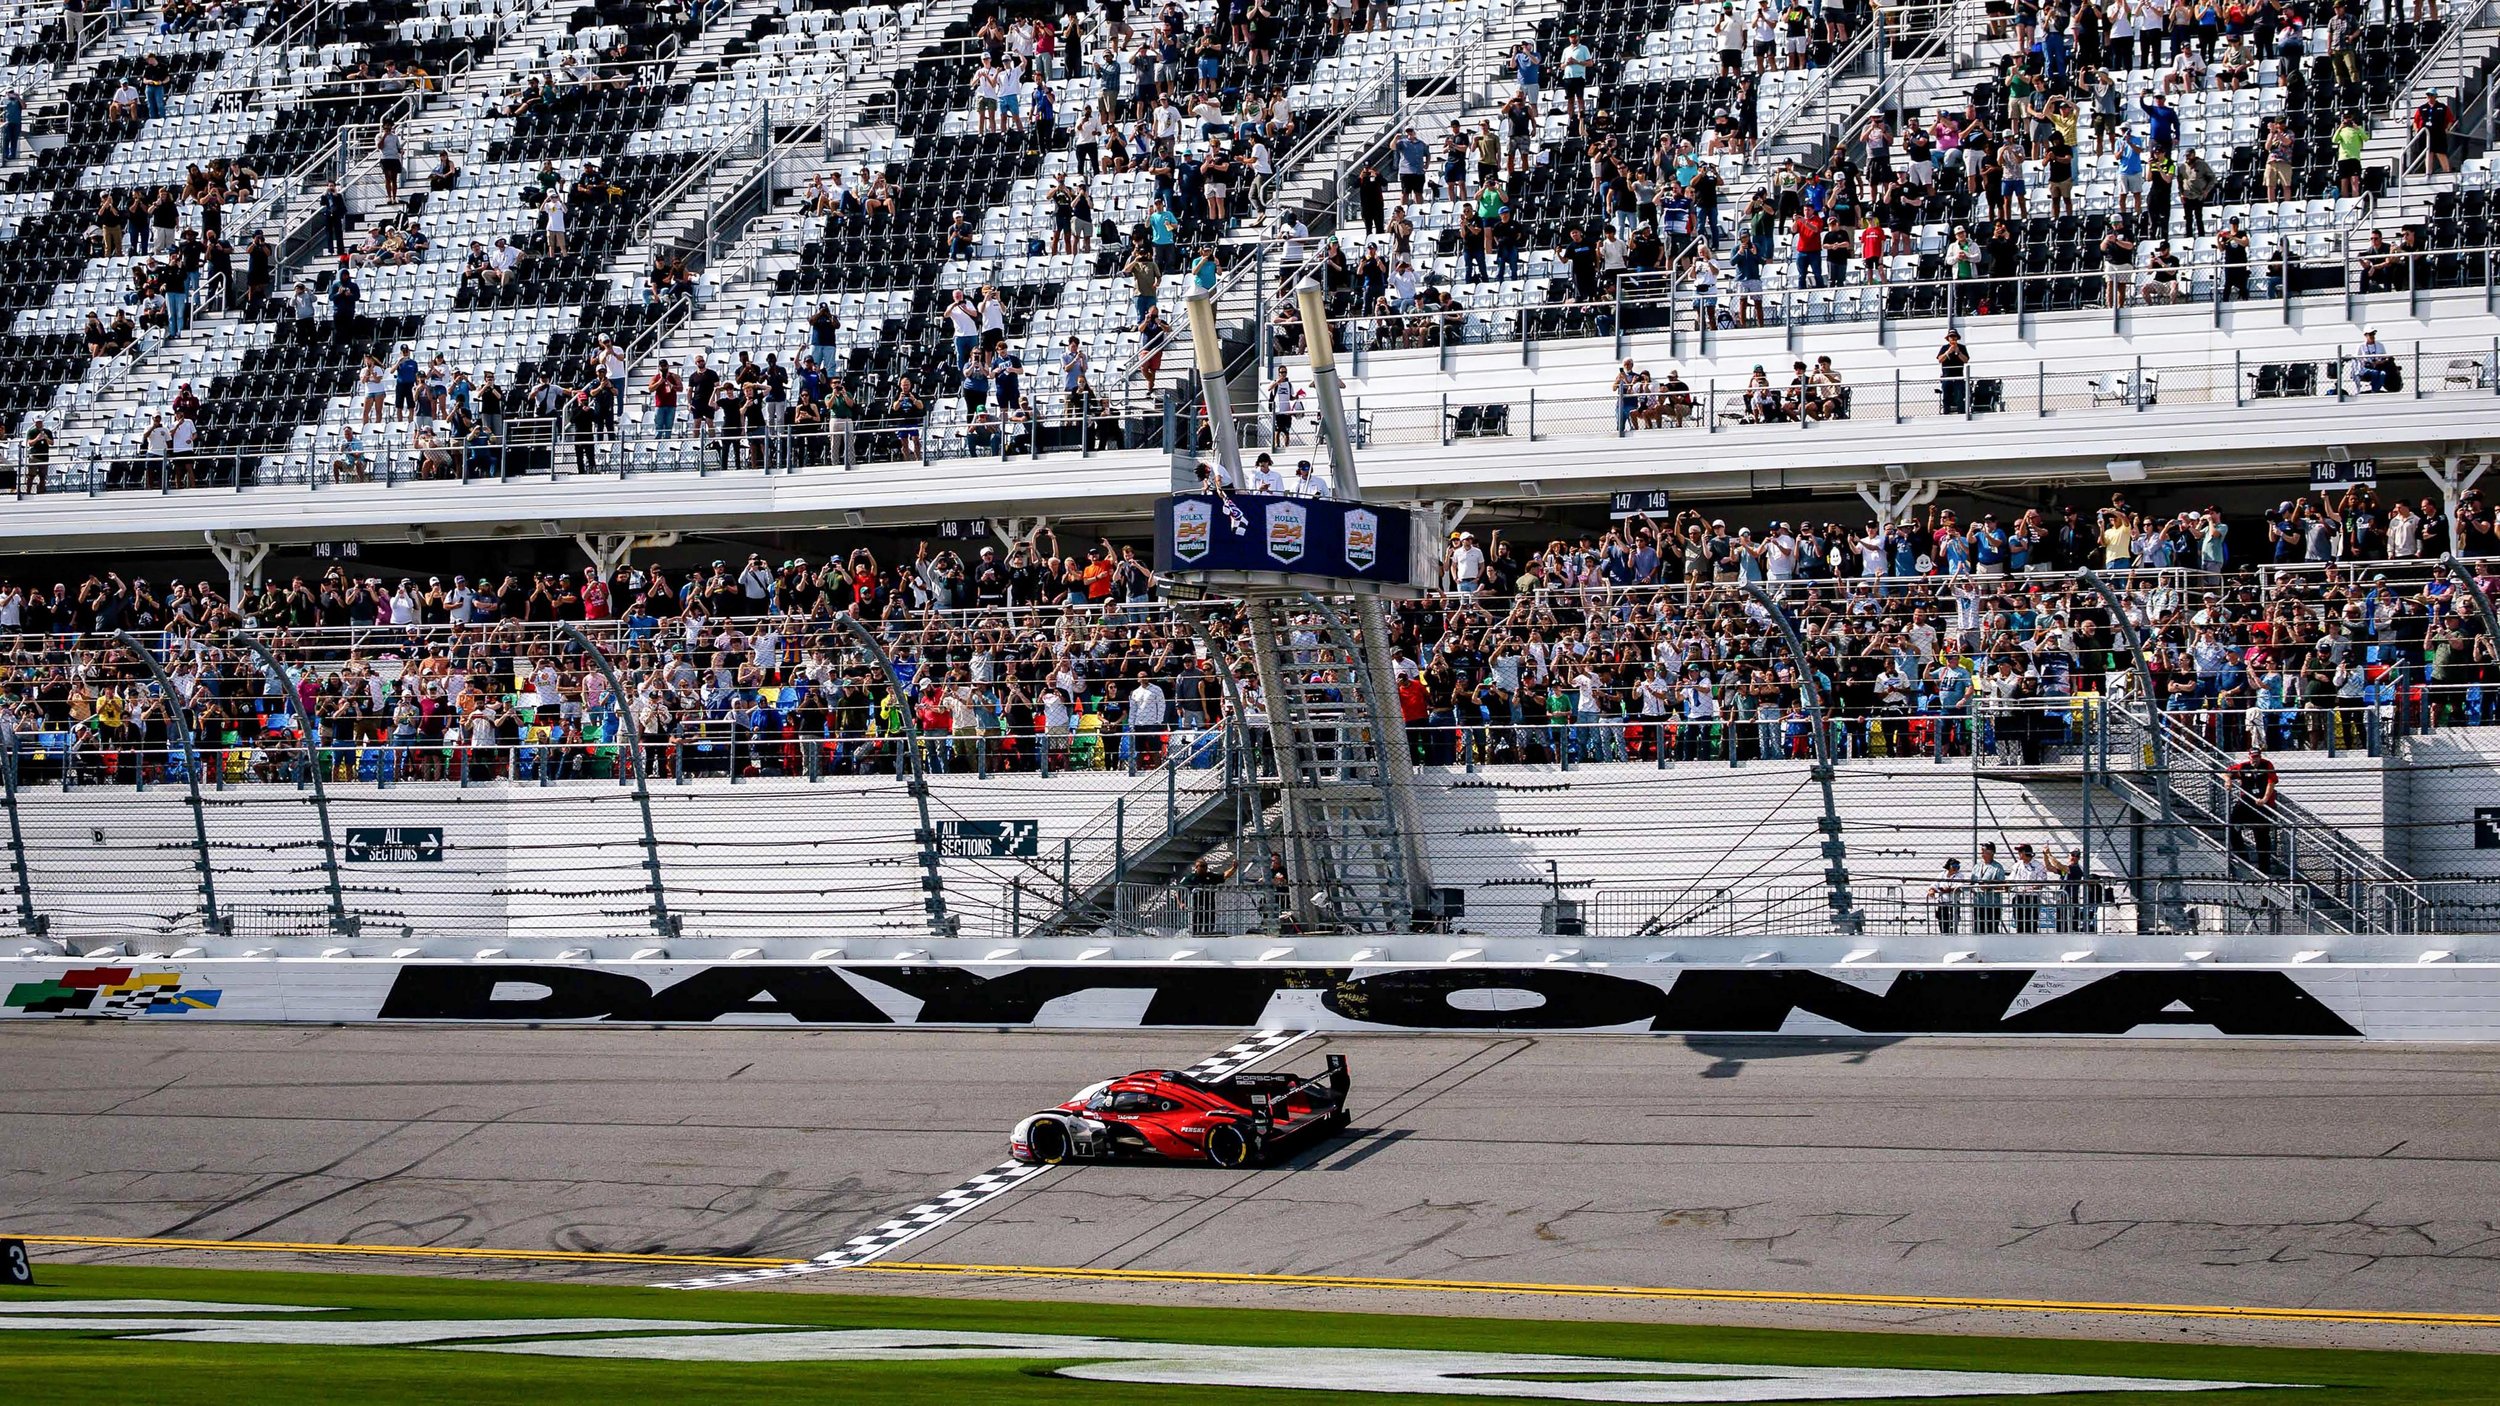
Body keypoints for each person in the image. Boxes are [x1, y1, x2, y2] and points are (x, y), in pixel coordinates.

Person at [2225, 745, 2278, 873]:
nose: (2255, 760)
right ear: (2249, 757)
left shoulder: (2266, 765)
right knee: (2232, 826)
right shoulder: (2243, 766)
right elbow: (2227, 772)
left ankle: (2264, 868)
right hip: (2246, 803)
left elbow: (2271, 782)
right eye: (2253, 757)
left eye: (2257, 757)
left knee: (2262, 835)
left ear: (2260, 756)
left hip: (2262, 805)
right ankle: (2243, 857)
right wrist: (2228, 780)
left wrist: (2264, 799)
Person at [1970, 841, 2007, 932]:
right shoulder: (1977, 867)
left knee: (1992, 929)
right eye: (1982, 850)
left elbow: (2002, 885)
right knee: (1979, 928)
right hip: (1978, 903)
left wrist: (1989, 886)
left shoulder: (1997, 867)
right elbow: (1972, 883)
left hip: (1992, 904)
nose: (1982, 852)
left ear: (1991, 852)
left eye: (1984, 850)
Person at [1937, 330, 1971, 413]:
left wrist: (1958, 352)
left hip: (1958, 377)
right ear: (1948, 338)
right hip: (1947, 377)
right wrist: (1948, 352)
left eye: (1954, 336)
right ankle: (1946, 412)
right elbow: (1940, 360)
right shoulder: (1944, 348)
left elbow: (1966, 360)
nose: (1953, 338)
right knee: (1946, 396)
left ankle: (1961, 412)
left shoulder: (1962, 347)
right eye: (1951, 337)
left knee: (1959, 396)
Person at [1929, 856, 1964, 932]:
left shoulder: (1959, 875)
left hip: (1953, 903)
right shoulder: (1942, 874)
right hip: (1942, 903)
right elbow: (1935, 884)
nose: (1956, 868)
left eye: (1958, 866)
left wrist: (1947, 890)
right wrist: (1932, 890)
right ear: (1949, 866)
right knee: (1943, 924)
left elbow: (1959, 886)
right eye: (1954, 866)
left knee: (1953, 925)